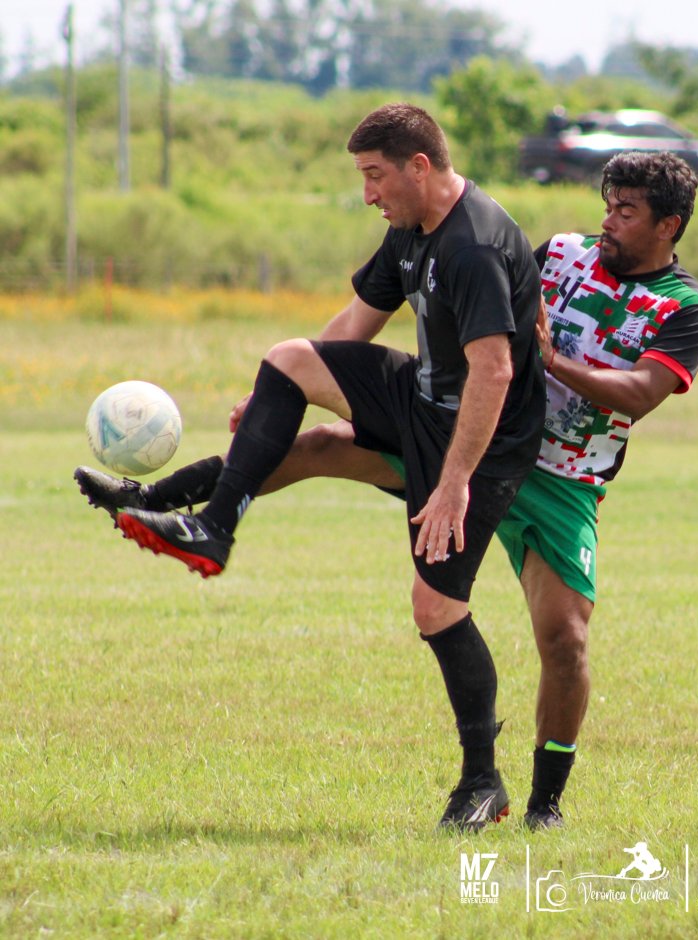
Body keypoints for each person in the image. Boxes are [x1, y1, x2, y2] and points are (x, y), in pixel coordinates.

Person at [76, 150, 698, 830]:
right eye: (608, 206)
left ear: (669, 226)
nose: (608, 221)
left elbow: (640, 392)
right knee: (321, 447)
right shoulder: (560, 253)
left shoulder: (686, 308)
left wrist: (554, 360)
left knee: (565, 641)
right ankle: (154, 500)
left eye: (627, 212)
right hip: (471, 439)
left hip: (562, 481)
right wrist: (288, 392)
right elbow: (488, 325)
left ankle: (545, 803)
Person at [104, 102, 546, 832]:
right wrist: (280, 390)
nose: (368, 194)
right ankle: (205, 523)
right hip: (421, 402)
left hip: (483, 443)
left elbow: (494, 372)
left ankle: (483, 783)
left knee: (435, 608)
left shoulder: (473, 245)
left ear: (420, 167)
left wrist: (453, 484)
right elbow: (351, 328)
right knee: (290, 361)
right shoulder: (411, 229)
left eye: (375, 176)